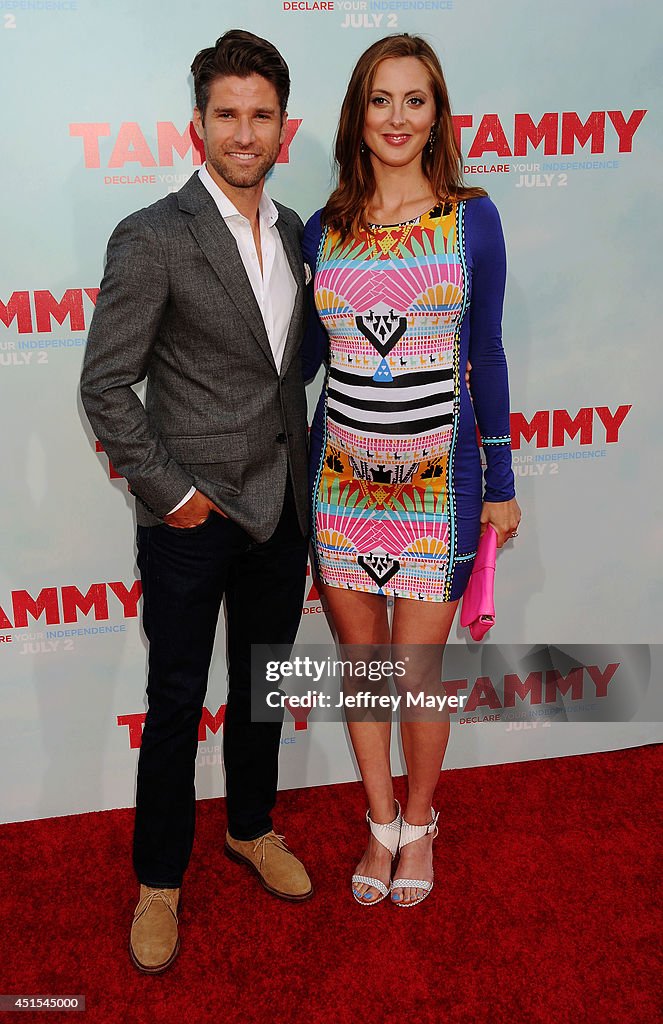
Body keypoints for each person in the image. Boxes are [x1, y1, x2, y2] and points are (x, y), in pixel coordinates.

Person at [80, 29, 313, 974]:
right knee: (176, 704)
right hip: (191, 520)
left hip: (281, 507)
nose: (244, 131)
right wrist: (172, 495)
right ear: (198, 126)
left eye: (261, 115)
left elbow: (289, 371)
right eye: (228, 114)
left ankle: (251, 828)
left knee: (261, 689)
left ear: (282, 129)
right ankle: (159, 883)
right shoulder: (152, 235)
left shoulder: (299, 232)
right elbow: (105, 385)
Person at [302, 34, 521, 908]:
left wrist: (499, 480)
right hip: (341, 488)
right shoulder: (322, 230)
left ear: (435, 117)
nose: (396, 118)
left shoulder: (473, 219)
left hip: (438, 493)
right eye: (380, 100)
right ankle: (379, 821)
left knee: (417, 675)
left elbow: (489, 357)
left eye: (414, 100)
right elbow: (311, 362)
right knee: (362, 670)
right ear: (358, 115)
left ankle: (422, 826)